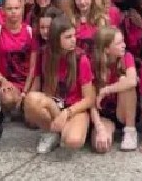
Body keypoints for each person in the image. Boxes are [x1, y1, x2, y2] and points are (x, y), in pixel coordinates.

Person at [23, 12, 95, 154]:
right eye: (68, 37)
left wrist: (67, 113)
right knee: (31, 99)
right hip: (55, 104)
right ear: (56, 39)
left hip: (75, 108)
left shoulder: (81, 59)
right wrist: (31, 109)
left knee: (73, 141)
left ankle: (65, 129)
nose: (73, 40)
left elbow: (89, 99)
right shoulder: (45, 54)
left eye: (74, 35)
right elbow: (41, 89)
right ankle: (52, 132)